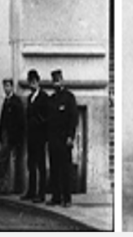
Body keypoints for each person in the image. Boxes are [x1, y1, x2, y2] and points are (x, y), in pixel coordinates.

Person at [47, 69, 77, 207]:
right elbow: (48, 120)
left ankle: (67, 198)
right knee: (54, 169)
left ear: (62, 80)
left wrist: (70, 136)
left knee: (65, 169)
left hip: (64, 139)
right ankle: (56, 197)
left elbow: (73, 118)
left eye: (58, 80)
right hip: (53, 139)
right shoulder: (52, 99)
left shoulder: (69, 97)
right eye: (54, 81)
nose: (56, 83)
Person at [23, 69, 49, 203]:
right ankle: (31, 191)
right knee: (31, 164)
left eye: (34, 82)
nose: (32, 85)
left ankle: (41, 193)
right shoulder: (29, 98)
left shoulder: (44, 97)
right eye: (30, 82)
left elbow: (46, 117)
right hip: (31, 137)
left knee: (41, 165)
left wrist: (39, 125)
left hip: (40, 136)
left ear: (38, 82)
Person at [0, 77, 25, 195]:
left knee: (1, 160)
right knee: (5, 162)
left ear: (12, 87)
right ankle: (5, 186)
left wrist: (17, 138)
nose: (6, 88)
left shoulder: (16, 102)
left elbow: (20, 121)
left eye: (8, 86)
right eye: (5, 86)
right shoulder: (6, 101)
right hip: (5, 136)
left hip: (12, 138)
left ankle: (8, 186)